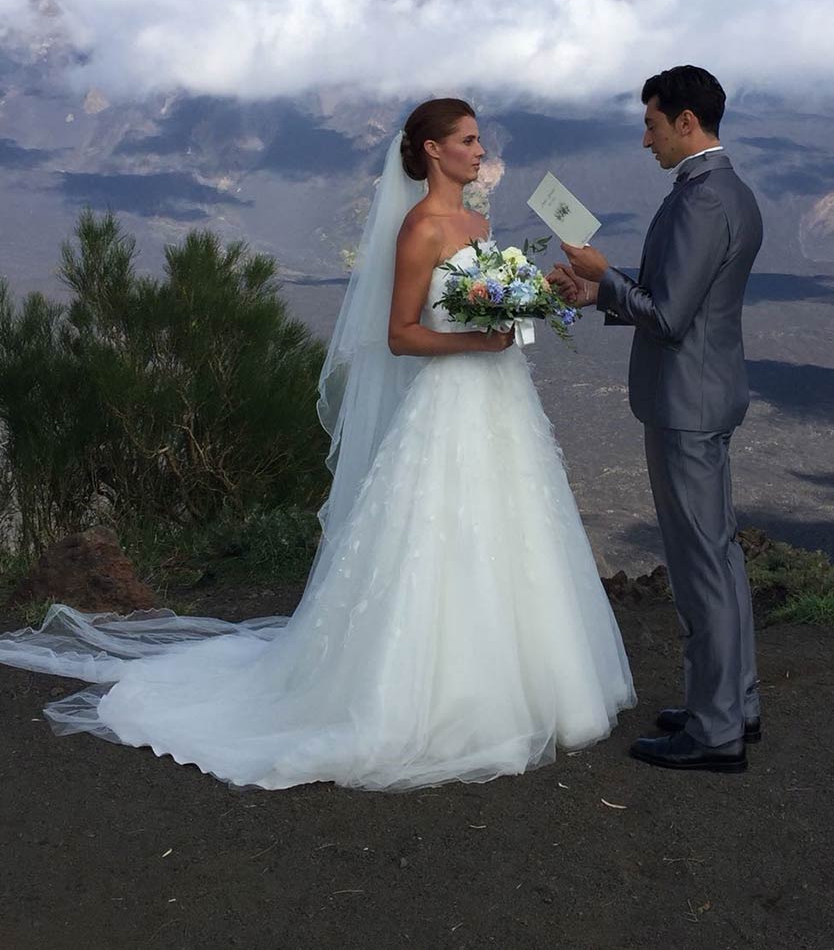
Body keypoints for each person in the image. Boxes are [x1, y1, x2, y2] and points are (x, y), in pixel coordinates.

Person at [0, 98, 634, 791]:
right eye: (469, 140)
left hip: (504, 400)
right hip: (451, 401)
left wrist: (539, 292)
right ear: (431, 151)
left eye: (479, 140)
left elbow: (488, 299)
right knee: (439, 538)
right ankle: (440, 696)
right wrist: (475, 336)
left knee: (516, 533)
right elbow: (399, 333)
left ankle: (531, 684)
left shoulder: (480, 223)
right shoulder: (419, 227)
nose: (481, 151)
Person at [552, 66, 763, 774]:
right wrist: (598, 292)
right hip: (709, 393)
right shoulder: (731, 192)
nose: (645, 141)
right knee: (721, 557)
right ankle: (733, 700)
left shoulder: (702, 202)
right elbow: (684, 303)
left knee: (701, 565)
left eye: (651, 124)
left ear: (685, 123)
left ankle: (714, 729)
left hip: (685, 405)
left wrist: (604, 273)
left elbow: (670, 317)